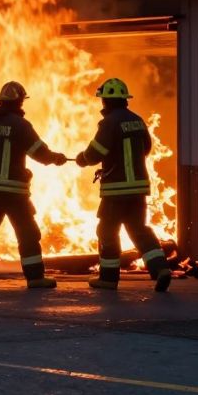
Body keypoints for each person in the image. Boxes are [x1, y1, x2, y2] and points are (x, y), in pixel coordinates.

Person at [0, 81, 68, 289]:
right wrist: (56, 158)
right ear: (19, 102)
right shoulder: (20, 125)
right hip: (13, 192)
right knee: (27, 233)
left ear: (1, 101)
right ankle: (36, 278)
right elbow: (39, 152)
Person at [76, 77, 172, 292]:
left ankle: (108, 279)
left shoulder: (108, 123)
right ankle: (160, 268)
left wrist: (83, 159)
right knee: (140, 229)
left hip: (116, 190)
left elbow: (96, 152)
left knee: (107, 230)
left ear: (107, 101)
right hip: (139, 188)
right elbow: (146, 148)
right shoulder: (137, 121)